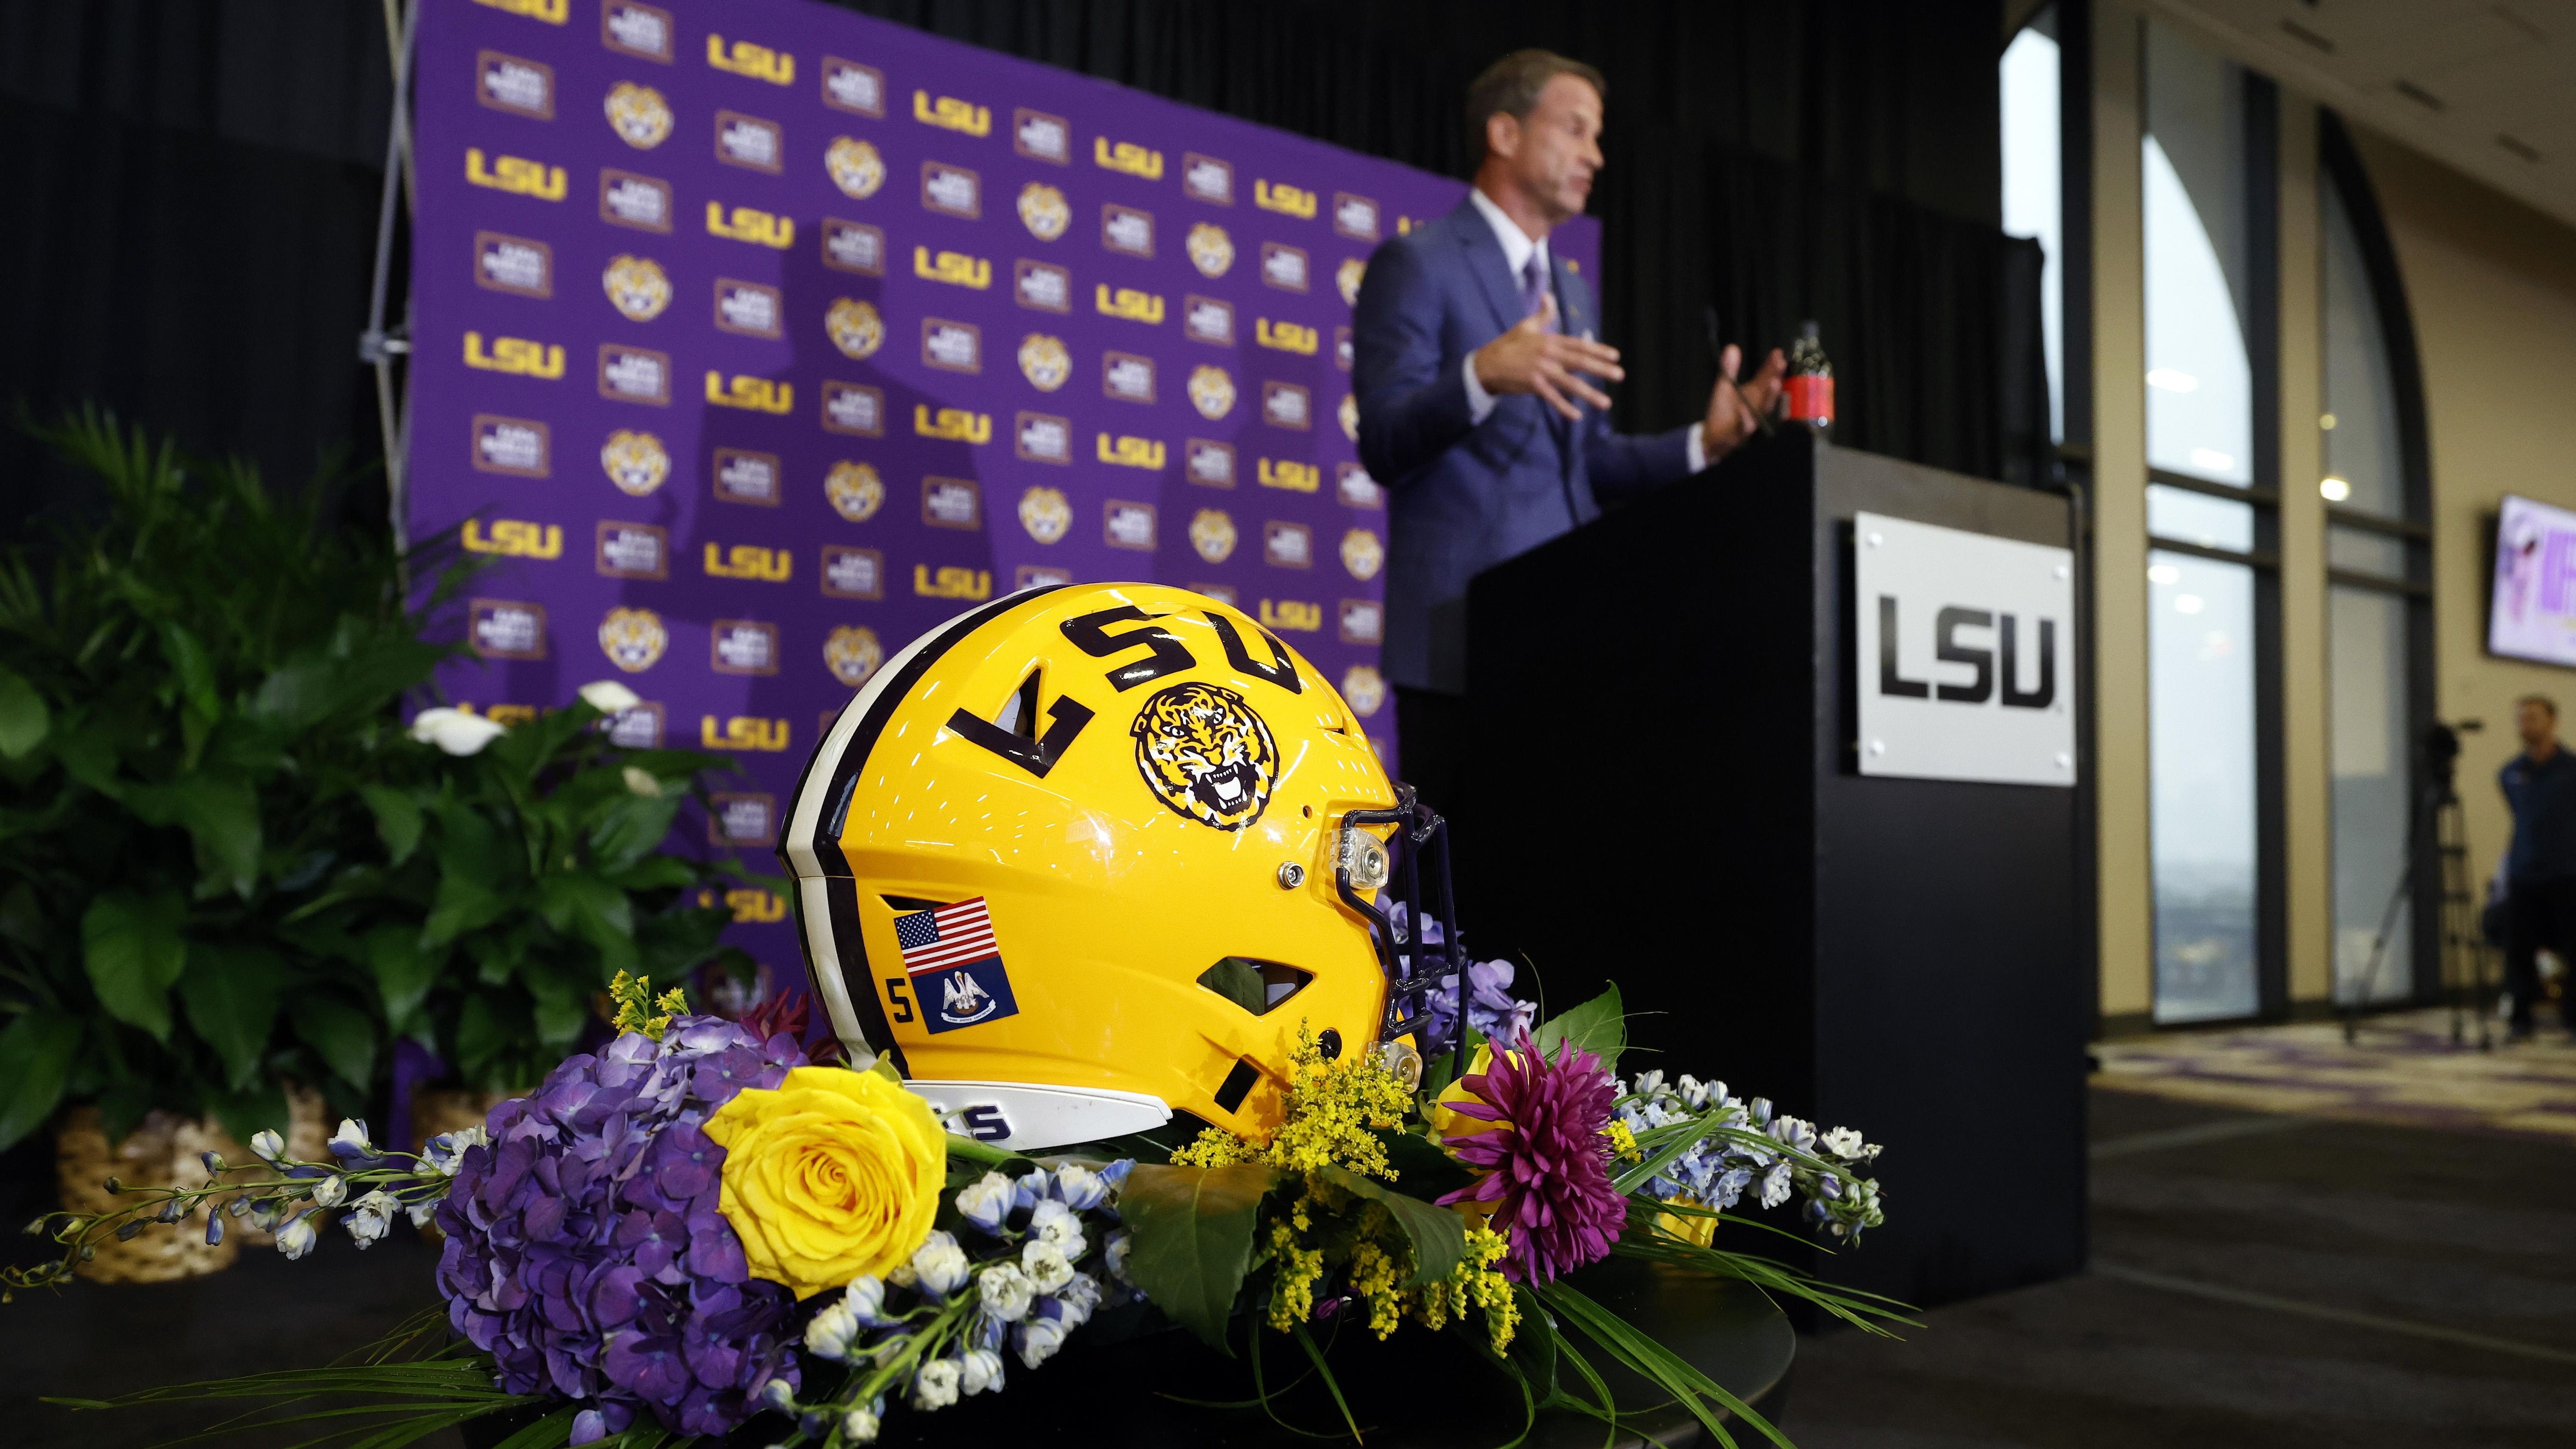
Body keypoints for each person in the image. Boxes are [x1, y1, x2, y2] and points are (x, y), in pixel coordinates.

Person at [1352, 49, 1783, 814]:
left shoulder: (1573, 290)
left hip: (1566, 640)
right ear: (1506, 133)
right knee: (1468, 899)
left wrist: (1705, 443)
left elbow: (1590, 465)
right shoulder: (1416, 263)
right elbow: (1384, 439)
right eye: (1577, 130)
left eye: (1598, 135)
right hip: (1459, 642)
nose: (1597, 154)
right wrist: (1482, 373)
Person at [2498, 693, 2576, 1039]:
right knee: (2519, 951)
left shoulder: (2571, 769)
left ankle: (2572, 1019)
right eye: (2522, 718)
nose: (2526, 724)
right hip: (2524, 874)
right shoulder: (2511, 773)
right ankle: (2520, 1019)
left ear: (2552, 722)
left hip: (2567, 873)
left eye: (2533, 717)